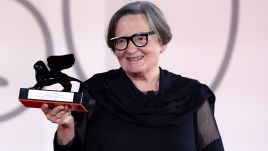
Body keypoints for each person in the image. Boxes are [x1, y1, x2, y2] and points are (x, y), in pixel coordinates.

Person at [41, 1, 224, 151]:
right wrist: (66, 127)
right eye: (121, 41)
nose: (130, 49)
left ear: (162, 42)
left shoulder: (193, 95)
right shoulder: (94, 91)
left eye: (140, 38)